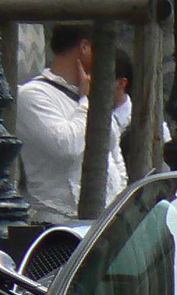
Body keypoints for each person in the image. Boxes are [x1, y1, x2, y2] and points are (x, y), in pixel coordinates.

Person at [14, 23, 127, 223]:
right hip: (58, 225)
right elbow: (66, 147)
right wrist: (86, 102)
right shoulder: (33, 96)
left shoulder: (92, 97)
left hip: (105, 224)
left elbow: (114, 154)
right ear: (84, 48)